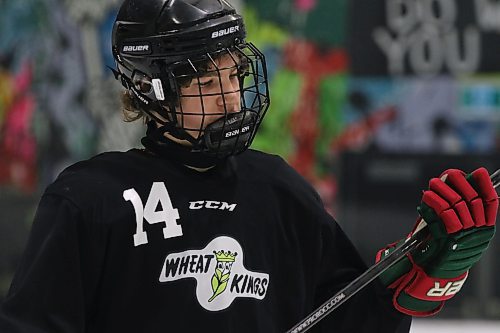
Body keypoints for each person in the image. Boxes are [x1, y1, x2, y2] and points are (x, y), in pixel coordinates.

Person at [0, 0, 497, 332]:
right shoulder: (90, 200)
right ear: (152, 90)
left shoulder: (278, 190)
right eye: (205, 82)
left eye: (234, 74)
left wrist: (417, 277)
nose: (232, 99)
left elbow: (349, 323)